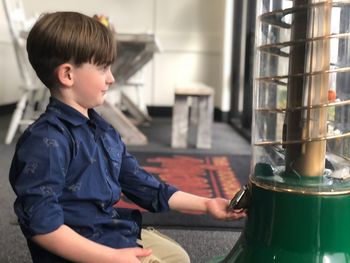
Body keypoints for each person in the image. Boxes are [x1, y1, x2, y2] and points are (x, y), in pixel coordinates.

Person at [9, 11, 246, 263]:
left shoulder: (103, 130)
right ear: (68, 75)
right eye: (102, 68)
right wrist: (110, 257)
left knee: (179, 257)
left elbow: (146, 186)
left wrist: (207, 204)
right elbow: (43, 228)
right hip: (81, 251)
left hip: (106, 231)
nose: (111, 78)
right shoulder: (45, 141)